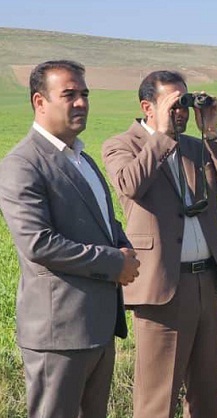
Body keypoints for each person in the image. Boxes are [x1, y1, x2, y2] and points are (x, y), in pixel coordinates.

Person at [0, 60, 140, 418]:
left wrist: (124, 247)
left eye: (84, 94)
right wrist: (114, 263)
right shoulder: (23, 164)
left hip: (97, 328)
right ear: (39, 102)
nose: (80, 102)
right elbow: (38, 243)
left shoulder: (83, 160)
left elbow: (105, 223)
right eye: (69, 95)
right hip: (59, 334)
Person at [101, 70, 217, 418]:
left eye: (185, 101)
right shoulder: (122, 145)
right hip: (162, 284)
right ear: (147, 106)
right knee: (158, 397)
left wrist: (211, 132)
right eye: (173, 103)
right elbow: (130, 185)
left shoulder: (196, 147)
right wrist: (163, 135)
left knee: (208, 392)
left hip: (206, 281)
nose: (181, 110)